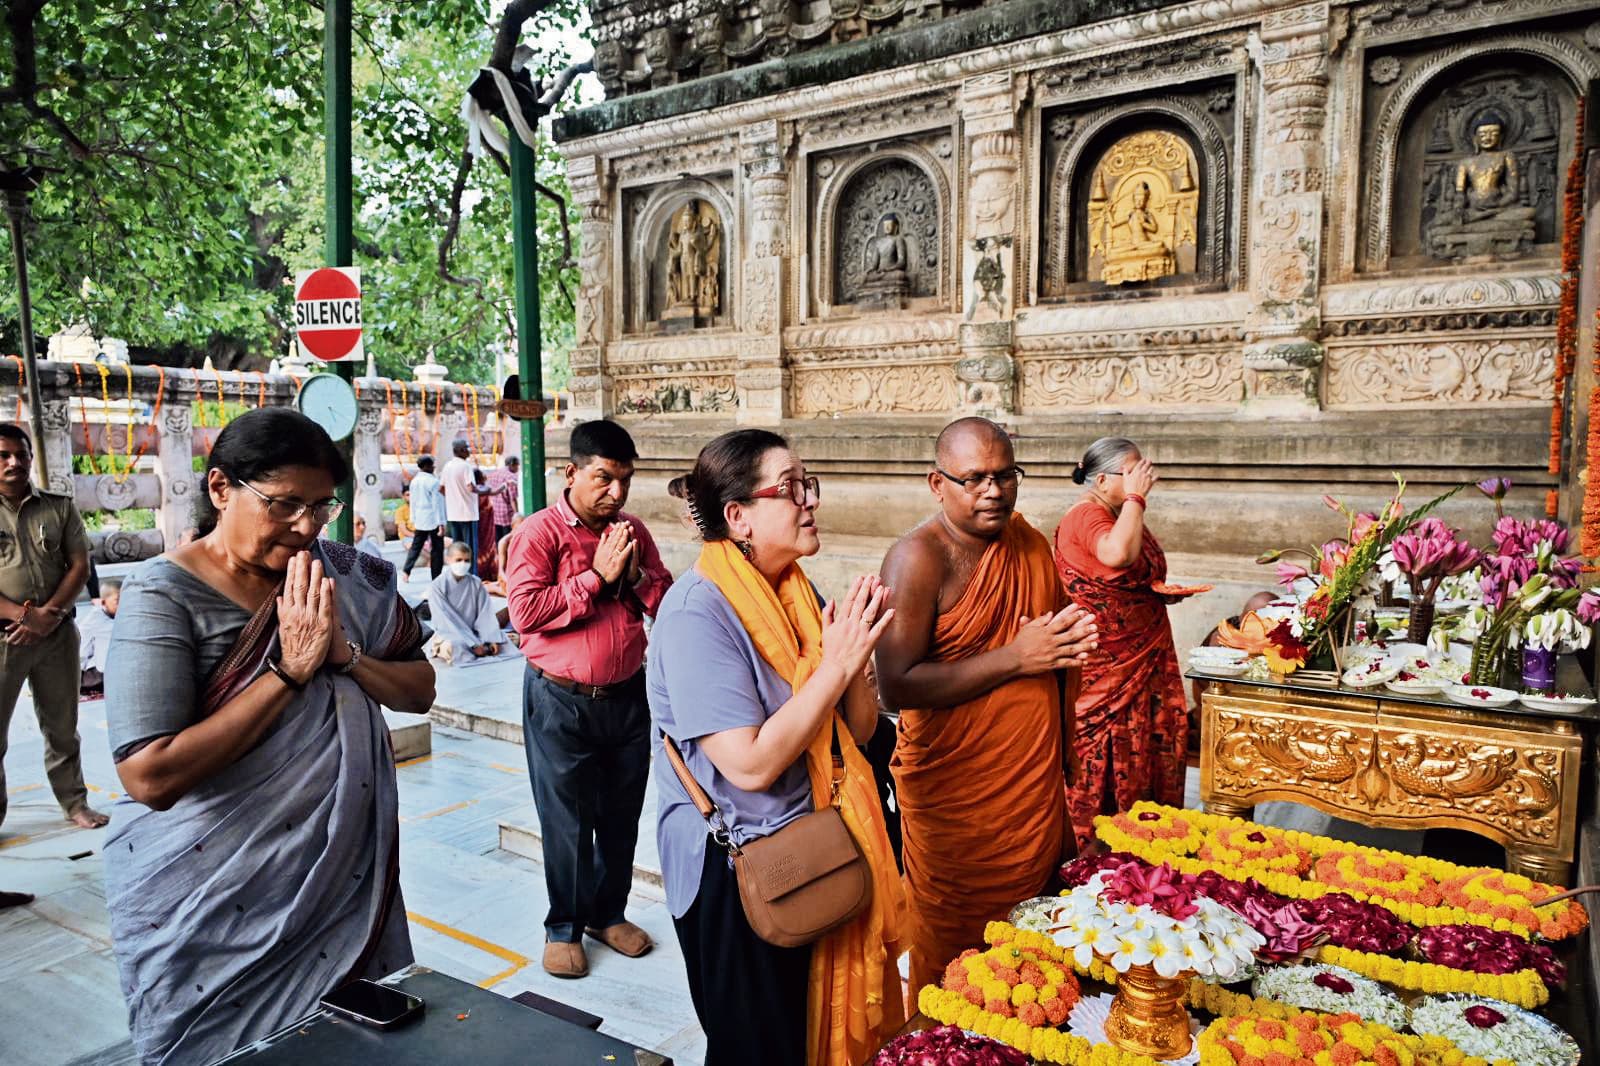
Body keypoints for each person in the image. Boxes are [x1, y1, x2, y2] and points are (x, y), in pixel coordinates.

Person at [102, 408, 436, 1066]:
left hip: (336, 879)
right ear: (221, 488)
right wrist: (288, 672)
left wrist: (346, 659)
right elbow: (149, 776)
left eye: (321, 507)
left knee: (352, 1044)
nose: (306, 526)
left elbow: (419, 689)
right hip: (212, 892)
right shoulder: (163, 595)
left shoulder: (344, 577)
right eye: (283, 505)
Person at [649, 429, 905, 1066]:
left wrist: (857, 658)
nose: (809, 500)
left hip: (822, 842)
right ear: (738, 516)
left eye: (807, 484)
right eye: (790, 488)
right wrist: (834, 667)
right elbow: (750, 764)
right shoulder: (697, 613)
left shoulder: (796, 592)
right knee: (761, 1049)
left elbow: (858, 733)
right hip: (743, 871)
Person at [874, 417, 1097, 992]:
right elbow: (895, 685)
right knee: (958, 960)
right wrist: (1016, 658)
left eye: (1005, 476)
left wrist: (1068, 642)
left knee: (1035, 948)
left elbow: (1049, 647)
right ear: (937, 484)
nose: (993, 491)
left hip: (1028, 785)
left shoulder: (1030, 545)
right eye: (973, 479)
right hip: (957, 797)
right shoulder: (918, 558)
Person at [503, 420, 673, 979]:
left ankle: (608, 915)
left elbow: (666, 600)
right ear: (571, 473)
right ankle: (564, 927)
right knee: (568, 819)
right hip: (560, 698)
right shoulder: (539, 534)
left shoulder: (632, 530)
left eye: (626, 480)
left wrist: (635, 577)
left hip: (627, 696)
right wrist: (596, 579)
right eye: (604, 478)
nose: (616, 492)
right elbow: (527, 613)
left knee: (621, 814)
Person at [1053, 437, 1186, 850]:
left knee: (1148, 748)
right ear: (1102, 480)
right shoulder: (1087, 514)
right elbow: (1116, 555)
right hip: (1107, 668)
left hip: (1144, 653)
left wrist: (1153, 594)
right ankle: (1096, 856)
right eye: (1131, 472)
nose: (1143, 479)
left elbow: (1125, 576)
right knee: (1106, 760)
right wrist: (1135, 498)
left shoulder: (1118, 512)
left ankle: (1143, 849)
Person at [0, 422, 107, 831]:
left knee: (63, 728)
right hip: (5, 637)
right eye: (3, 455)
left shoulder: (59, 507)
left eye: (21, 454)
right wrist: (24, 617)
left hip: (57, 634)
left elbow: (79, 565)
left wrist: (50, 616)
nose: (14, 462)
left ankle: (75, 803)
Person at [427, 542, 504, 664]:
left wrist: (491, 638)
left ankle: (482, 647)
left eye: (466, 560)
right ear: (448, 560)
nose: (463, 564)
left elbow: (485, 613)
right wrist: (472, 643)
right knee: (454, 647)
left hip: (475, 632)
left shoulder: (476, 583)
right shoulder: (437, 586)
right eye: (458, 560)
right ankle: (477, 649)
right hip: (450, 633)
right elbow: (445, 619)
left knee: (504, 643)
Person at [441, 441, 494, 575]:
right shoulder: (465, 466)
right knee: (469, 548)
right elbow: (471, 488)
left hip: (453, 514)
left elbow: (441, 488)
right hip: (467, 513)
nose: (469, 451)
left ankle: (457, 574)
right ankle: (471, 576)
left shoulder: (447, 466)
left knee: (457, 547)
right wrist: (485, 490)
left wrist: (453, 497)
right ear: (460, 450)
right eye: (466, 448)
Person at [401, 455, 445, 583]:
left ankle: (406, 571)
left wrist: (413, 518)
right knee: (437, 549)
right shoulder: (433, 482)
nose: (433, 467)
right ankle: (436, 576)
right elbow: (437, 504)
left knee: (416, 546)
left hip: (420, 519)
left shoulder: (414, 481)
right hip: (433, 519)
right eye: (432, 465)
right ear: (427, 466)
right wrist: (441, 523)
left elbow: (413, 502)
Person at [78, 577, 122, 699]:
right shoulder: (93, 620)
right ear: (103, 602)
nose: (123, 605)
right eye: (117, 601)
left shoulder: (126, 615)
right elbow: (81, 649)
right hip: (98, 672)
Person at [486, 455, 520, 544]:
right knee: (507, 540)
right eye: (517, 465)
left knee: (498, 538)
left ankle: (499, 552)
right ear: (512, 465)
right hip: (507, 514)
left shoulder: (494, 474)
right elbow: (513, 499)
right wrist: (516, 514)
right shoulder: (511, 477)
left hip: (495, 512)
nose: (518, 468)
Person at [475, 468, 499, 582]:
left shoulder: (473, 491)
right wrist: (505, 485)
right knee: (487, 547)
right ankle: (487, 573)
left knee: (480, 548)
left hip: (479, 524)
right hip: (486, 525)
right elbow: (495, 491)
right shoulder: (482, 489)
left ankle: (481, 573)